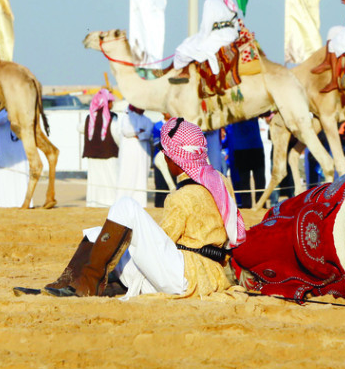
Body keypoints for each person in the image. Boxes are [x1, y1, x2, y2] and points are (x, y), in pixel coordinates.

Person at [45, 117, 245, 299]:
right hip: (211, 275)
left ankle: (85, 284)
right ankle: (71, 284)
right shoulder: (221, 181)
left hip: (185, 276)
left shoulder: (180, 196)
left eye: (165, 156)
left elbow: (165, 240)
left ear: (173, 159)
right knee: (102, 236)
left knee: (126, 207)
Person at [171, 0, 240, 82]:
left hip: (217, 38)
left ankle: (185, 73)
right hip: (230, 36)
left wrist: (199, 40)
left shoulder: (210, 1)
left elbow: (206, 27)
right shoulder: (227, 2)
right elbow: (236, 24)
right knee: (190, 43)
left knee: (183, 49)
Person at [82, 89, 120, 208]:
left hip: (93, 155)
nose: (112, 104)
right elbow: (116, 134)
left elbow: (79, 128)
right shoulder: (113, 118)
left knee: (95, 180)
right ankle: (109, 203)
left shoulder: (89, 117)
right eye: (109, 102)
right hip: (109, 155)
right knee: (110, 180)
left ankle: (94, 203)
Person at [224, 118, 267, 208]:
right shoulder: (231, 106)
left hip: (255, 146)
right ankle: (246, 206)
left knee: (260, 179)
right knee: (244, 181)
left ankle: (261, 204)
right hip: (241, 148)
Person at [116, 105, 153, 207]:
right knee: (127, 176)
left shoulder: (147, 120)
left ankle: (139, 204)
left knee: (141, 178)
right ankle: (122, 204)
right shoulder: (127, 118)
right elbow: (127, 132)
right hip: (128, 154)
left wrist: (137, 134)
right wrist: (138, 131)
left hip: (142, 154)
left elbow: (148, 133)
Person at [0, 109, 31, 208]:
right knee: (5, 176)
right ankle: (5, 204)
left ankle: (24, 202)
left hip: (20, 151)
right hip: (5, 152)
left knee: (22, 175)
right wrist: (10, 113)